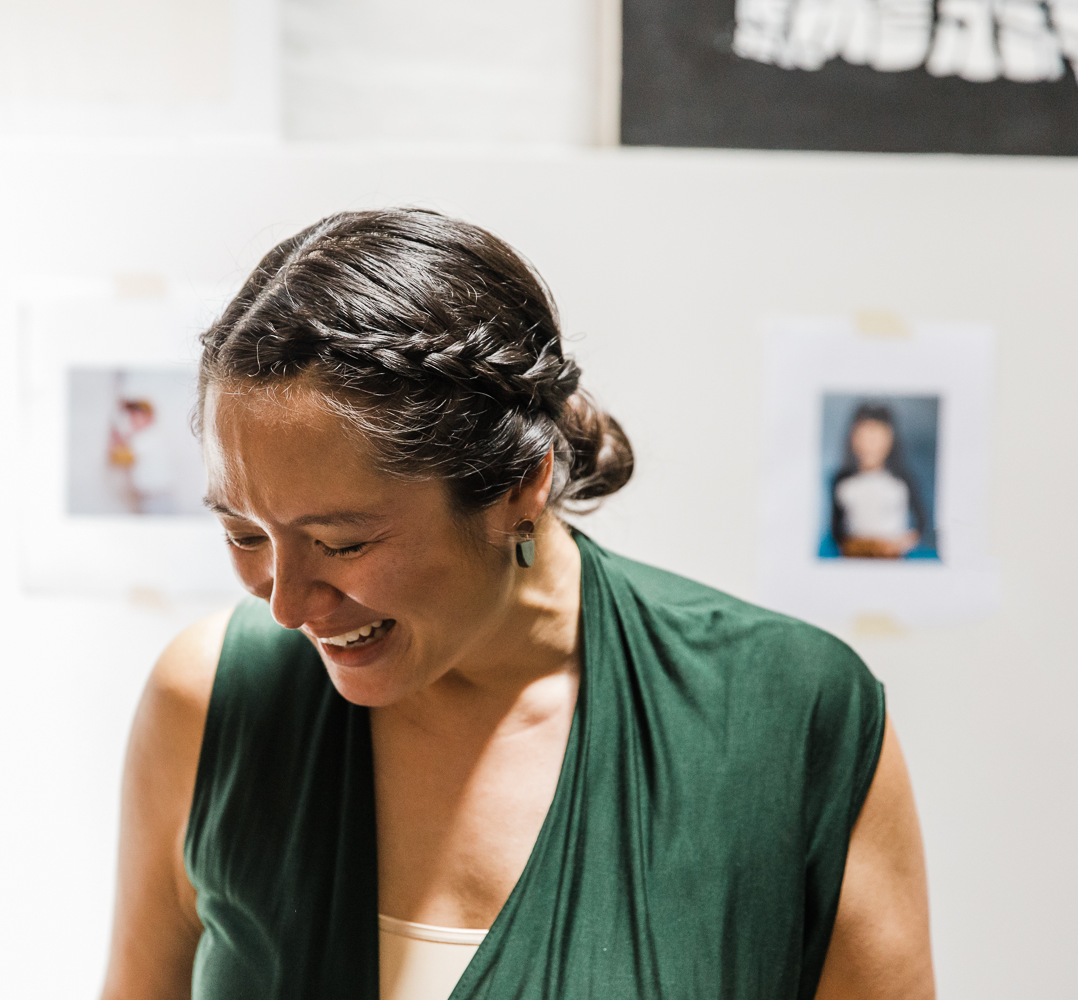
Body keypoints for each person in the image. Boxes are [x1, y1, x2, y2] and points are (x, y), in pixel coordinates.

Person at [100, 209, 934, 1000]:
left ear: (515, 489)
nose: (285, 605)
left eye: (344, 543)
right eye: (245, 533)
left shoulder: (787, 715)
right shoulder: (208, 703)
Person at [829, 402, 931, 559]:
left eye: (877, 436)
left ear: (890, 439)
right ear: (853, 439)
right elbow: (836, 529)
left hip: (891, 558)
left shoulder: (902, 480)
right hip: (854, 557)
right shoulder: (842, 481)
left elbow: (921, 524)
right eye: (863, 435)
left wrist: (899, 545)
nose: (870, 444)